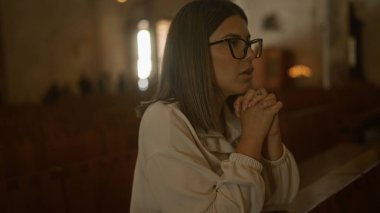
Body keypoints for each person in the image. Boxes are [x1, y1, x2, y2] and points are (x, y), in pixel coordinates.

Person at [130, 0, 299, 212]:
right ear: (194, 52)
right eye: (232, 42)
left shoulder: (234, 114)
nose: (250, 55)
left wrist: (270, 135)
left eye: (247, 43)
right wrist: (251, 139)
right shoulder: (163, 120)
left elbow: (280, 198)